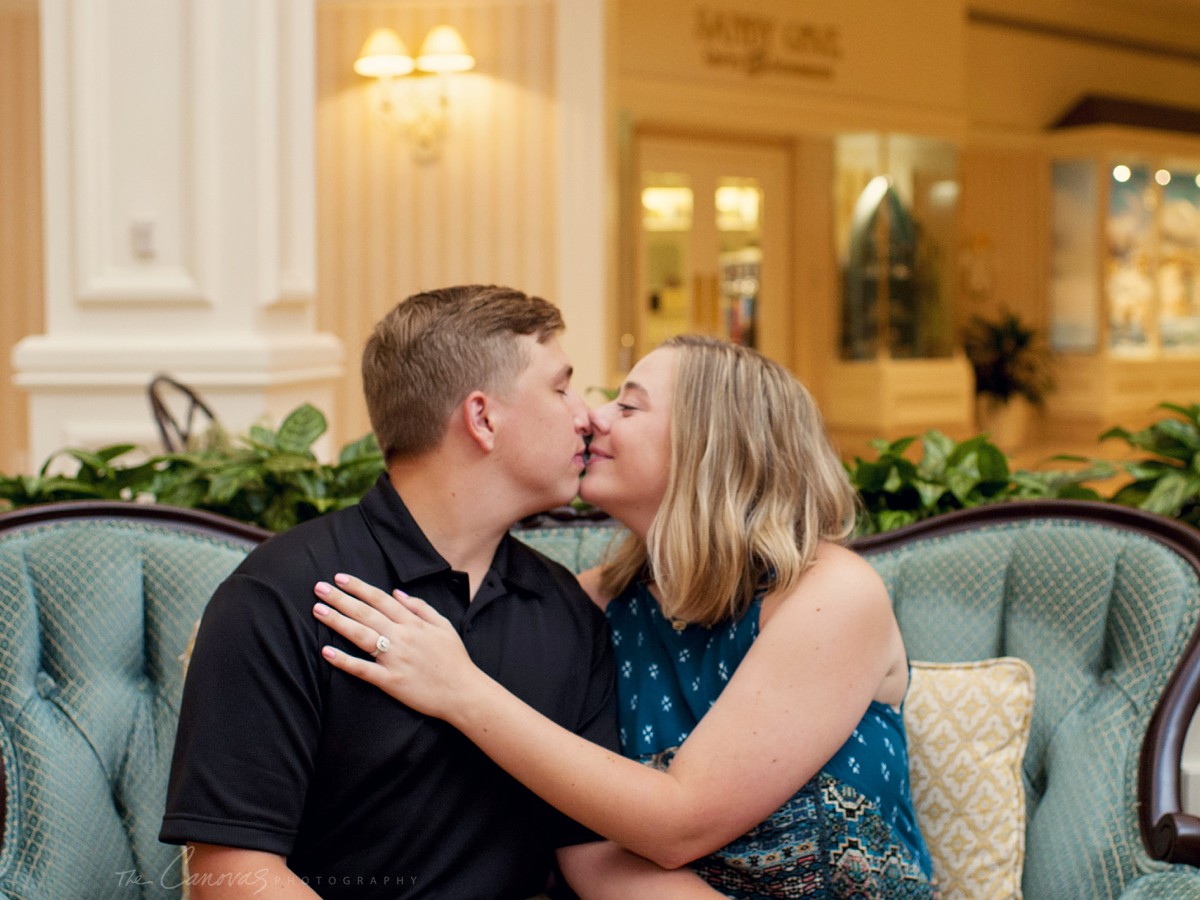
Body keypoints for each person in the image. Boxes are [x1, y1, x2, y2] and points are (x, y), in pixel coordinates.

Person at [312, 334, 939, 898]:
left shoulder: (829, 595)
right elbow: (588, 850)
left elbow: (680, 824)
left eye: (628, 406)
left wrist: (461, 689)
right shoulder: (589, 606)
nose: (591, 417)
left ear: (713, 445)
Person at [160, 286, 724, 899]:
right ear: (482, 418)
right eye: (560, 388)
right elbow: (232, 877)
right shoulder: (285, 594)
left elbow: (592, 857)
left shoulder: (564, 609)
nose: (586, 415)